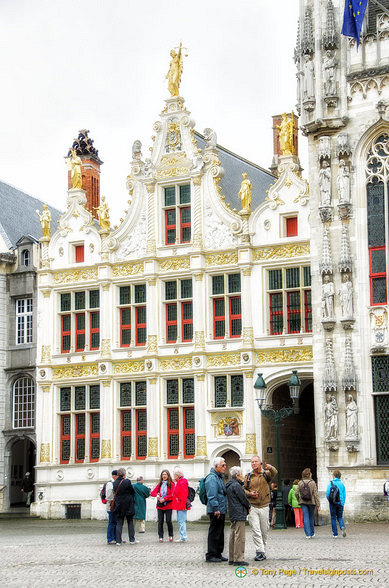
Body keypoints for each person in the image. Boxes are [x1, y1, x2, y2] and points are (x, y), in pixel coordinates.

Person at [244, 456, 277, 562]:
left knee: (264, 530)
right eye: (252, 462)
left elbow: (274, 473)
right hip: (253, 506)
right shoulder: (248, 476)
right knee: (256, 530)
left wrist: (270, 467)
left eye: (255, 462)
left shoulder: (265, 474)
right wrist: (249, 493)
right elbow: (243, 489)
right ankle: (260, 552)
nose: (253, 464)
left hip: (264, 506)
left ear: (260, 463)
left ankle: (262, 549)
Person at [225, 466, 250, 566]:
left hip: (232, 512)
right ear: (237, 475)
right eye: (241, 474)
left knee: (233, 535)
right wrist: (248, 506)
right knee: (240, 536)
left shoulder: (229, 485)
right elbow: (243, 498)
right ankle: (238, 558)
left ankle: (232, 557)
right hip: (239, 512)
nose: (243, 476)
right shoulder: (236, 485)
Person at [205, 456, 228, 563]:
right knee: (214, 532)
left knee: (220, 532)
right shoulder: (212, 478)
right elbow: (212, 495)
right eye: (223, 465)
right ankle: (211, 554)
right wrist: (216, 508)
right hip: (216, 510)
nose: (225, 467)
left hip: (221, 509)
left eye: (225, 465)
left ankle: (218, 553)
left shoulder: (219, 477)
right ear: (216, 466)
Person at [112, 467, 136, 546]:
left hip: (119, 505)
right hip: (128, 504)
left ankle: (118, 540)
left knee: (119, 522)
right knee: (130, 522)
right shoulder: (127, 482)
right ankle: (132, 539)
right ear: (124, 475)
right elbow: (132, 491)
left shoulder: (115, 483)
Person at [295, 468, 320, 539]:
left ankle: (307, 534)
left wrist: (298, 500)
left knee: (305, 517)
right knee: (311, 517)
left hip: (303, 502)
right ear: (309, 475)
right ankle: (312, 533)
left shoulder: (300, 482)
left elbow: (296, 493)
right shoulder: (312, 483)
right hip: (311, 502)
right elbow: (316, 494)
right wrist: (318, 504)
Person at [151, 470, 175, 542]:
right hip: (160, 506)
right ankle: (160, 537)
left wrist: (165, 499)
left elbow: (173, 495)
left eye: (165, 474)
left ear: (168, 475)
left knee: (168, 521)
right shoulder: (159, 485)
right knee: (160, 521)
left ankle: (171, 535)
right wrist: (157, 495)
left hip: (168, 505)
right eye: (163, 475)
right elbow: (152, 493)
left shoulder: (171, 484)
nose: (164, 476)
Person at [326, 470, 346, 538]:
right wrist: (342, 503)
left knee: (333, 518)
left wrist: (330, 501)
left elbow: (327, 494)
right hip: (340, 503)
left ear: (334, 476)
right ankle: (342, 526)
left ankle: (335, 534)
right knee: (340, 517)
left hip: (332, 503)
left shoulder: (331, 484)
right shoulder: (342, 484)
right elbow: (344, 495)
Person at [172, 466, 189, 542]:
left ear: (177, 474)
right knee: (180, 521)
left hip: (181, 505)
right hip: (179, 504)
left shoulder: (182, 482)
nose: (173, 475)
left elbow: (184, 494)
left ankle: (183, 536)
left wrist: (183, 505)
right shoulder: (179, 482)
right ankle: (182, 536)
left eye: (174, 474)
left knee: (181, 521)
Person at [105, 469, 118, 544]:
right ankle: (110, 538)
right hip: (111, 505)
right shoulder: (110, 484)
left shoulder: (113, 483)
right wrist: (113, 500)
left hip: (113, 505)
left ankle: (115, 537)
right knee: (112, 522)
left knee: (114, 522)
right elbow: (109, 495)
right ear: (114, 476)